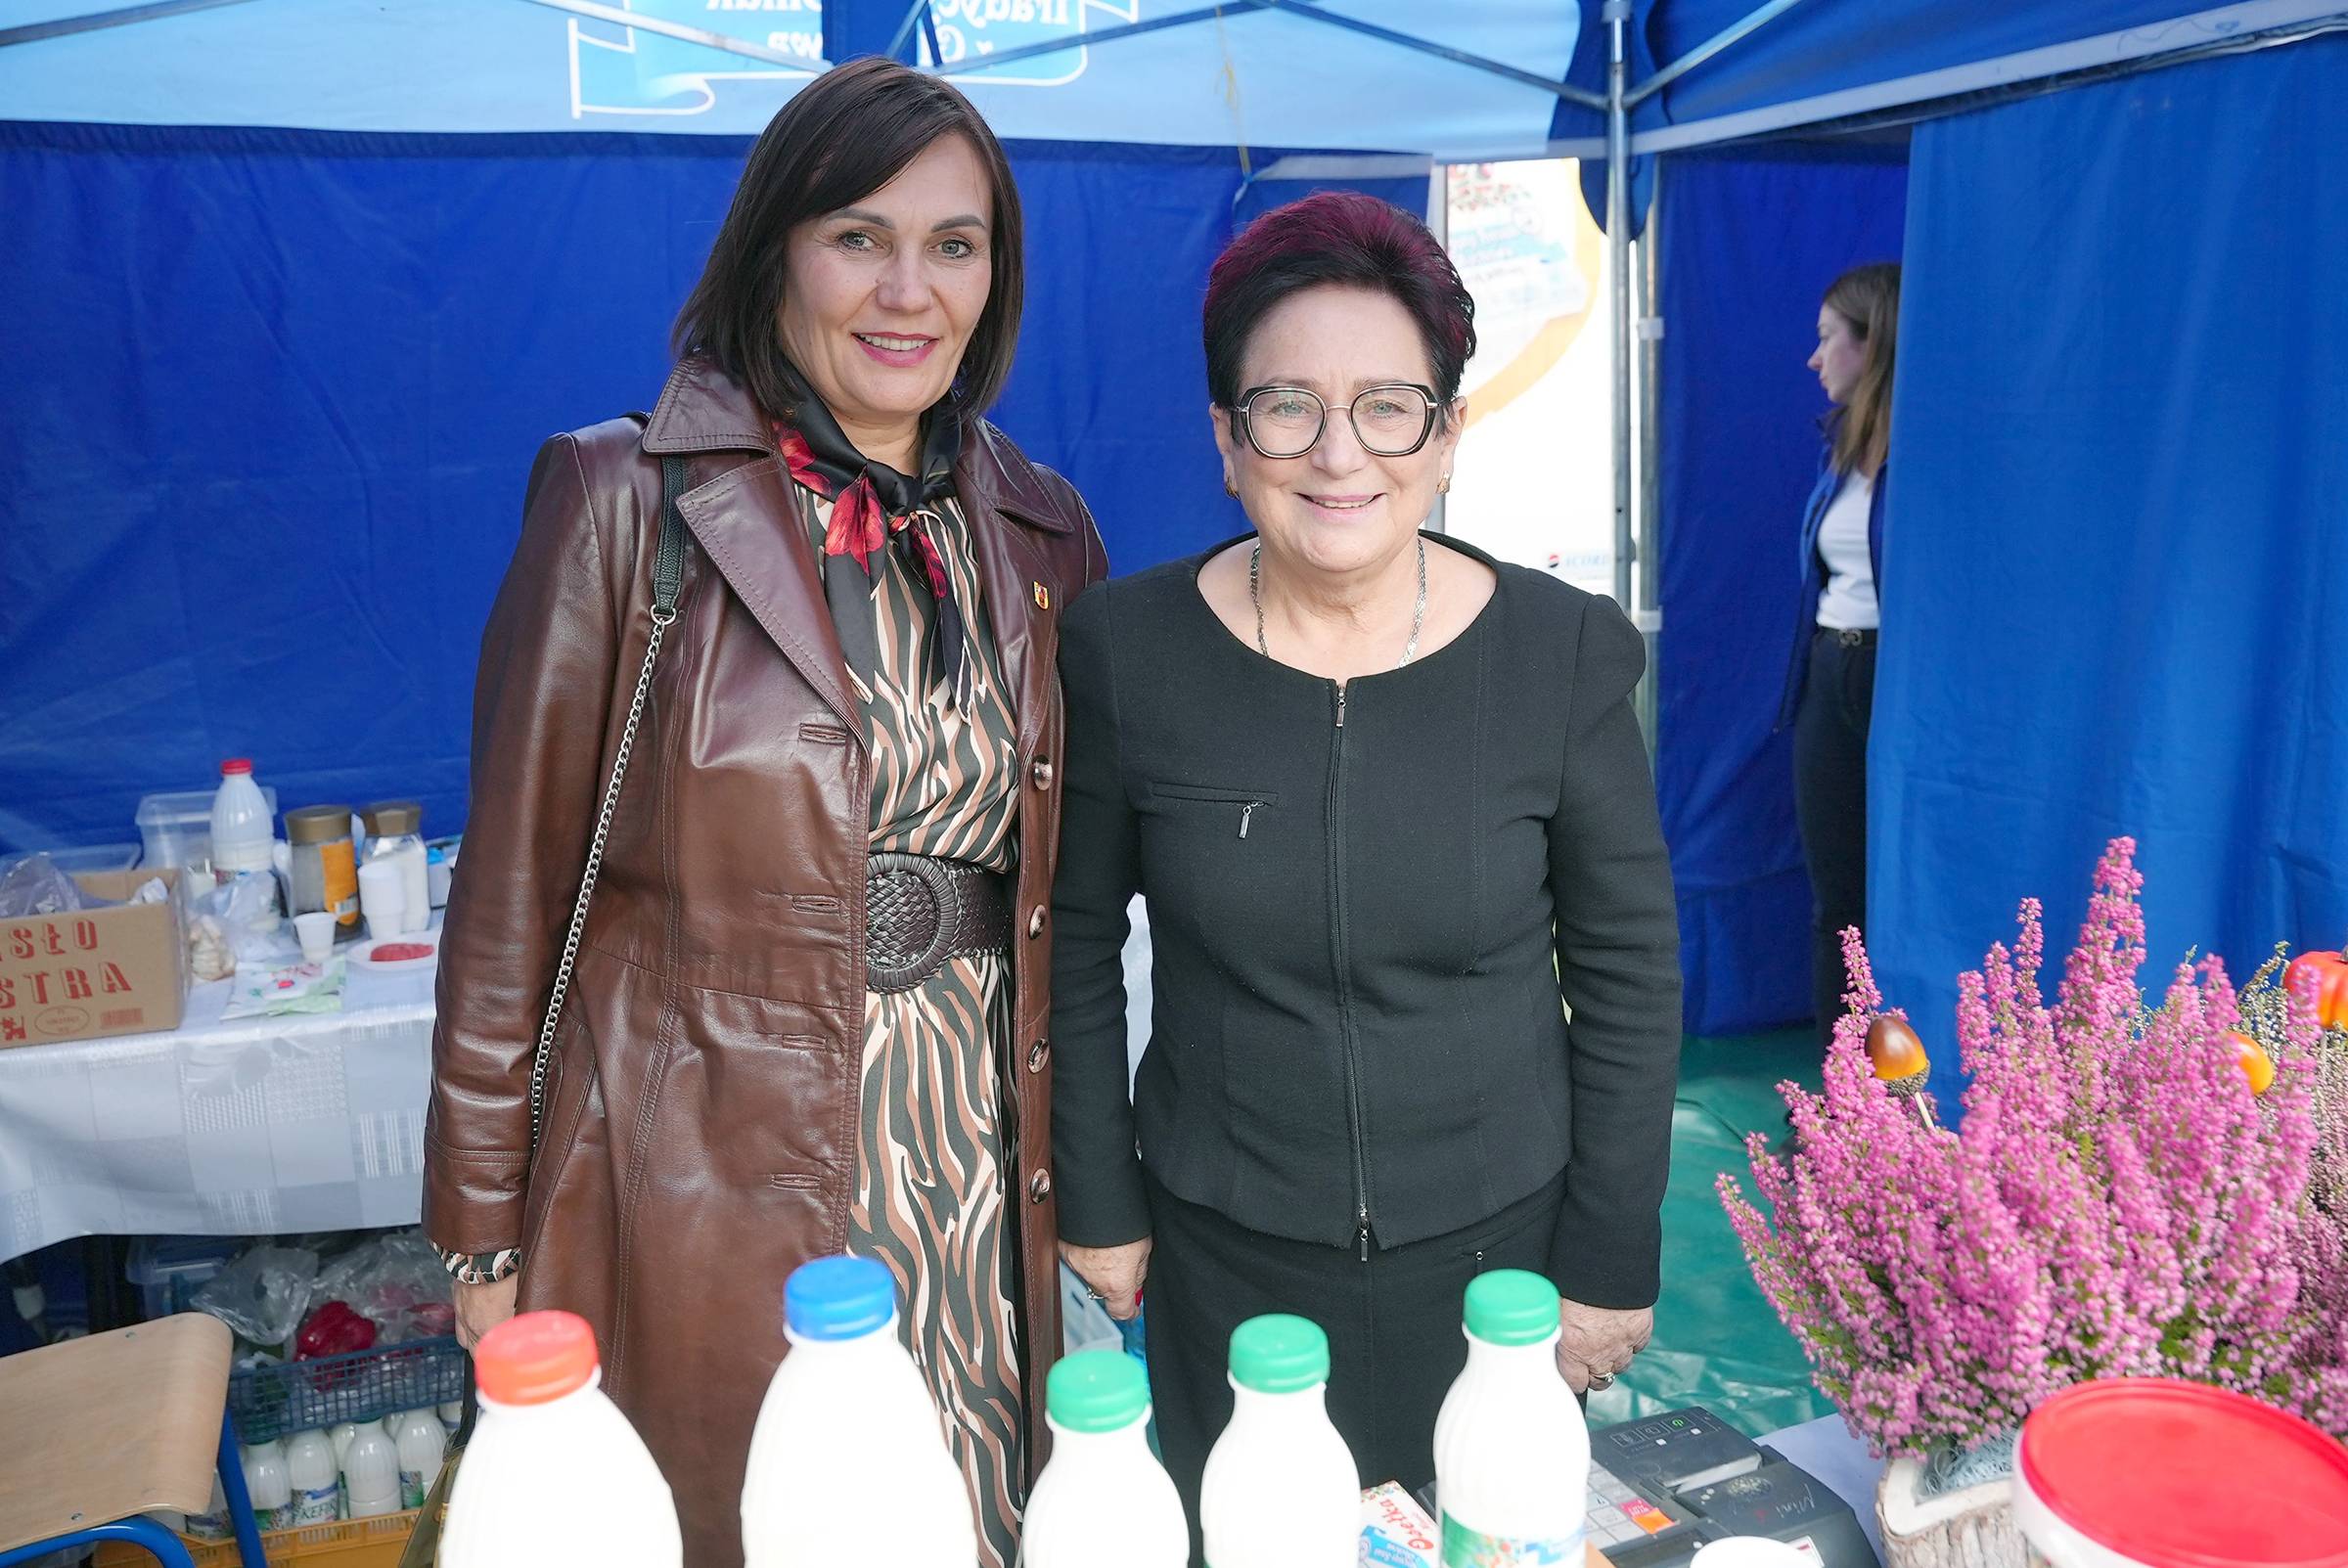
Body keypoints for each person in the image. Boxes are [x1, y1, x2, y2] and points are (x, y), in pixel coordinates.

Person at [422, 59, 1106, 1568]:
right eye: (859, 236)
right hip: (712, 1164)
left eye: (954, 244)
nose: (909, 289)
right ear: (775, 250)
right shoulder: (626, 498)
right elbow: (510, 894)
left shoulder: (1045, 528)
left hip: (978, 1151)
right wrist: (481, 1232)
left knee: (972, 1506)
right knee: (780, 1516)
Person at [1048, 191, 1683, 1546]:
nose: (1340, 453)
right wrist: (1099, 1196)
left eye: (1390, 407)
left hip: (1502, 1270)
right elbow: (1073, 942)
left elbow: (1631, 968)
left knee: (1496, 1543)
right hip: (1228, 1257)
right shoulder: (1126, 652)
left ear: (1447, 436)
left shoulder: (1562, 653)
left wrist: (1608, 1253)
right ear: (1228, 439)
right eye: (1287, 406)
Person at [1778, 262, 1899, 1052]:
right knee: (1837, 901)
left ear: (1873, 340)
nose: (1814, 357)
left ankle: (1911, 1083)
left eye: (1829, 338)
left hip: (1897, 683)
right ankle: (1840, 1087)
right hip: (1830, 672)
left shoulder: (1923, 454)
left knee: (1902, 890)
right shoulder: (1840, 449)